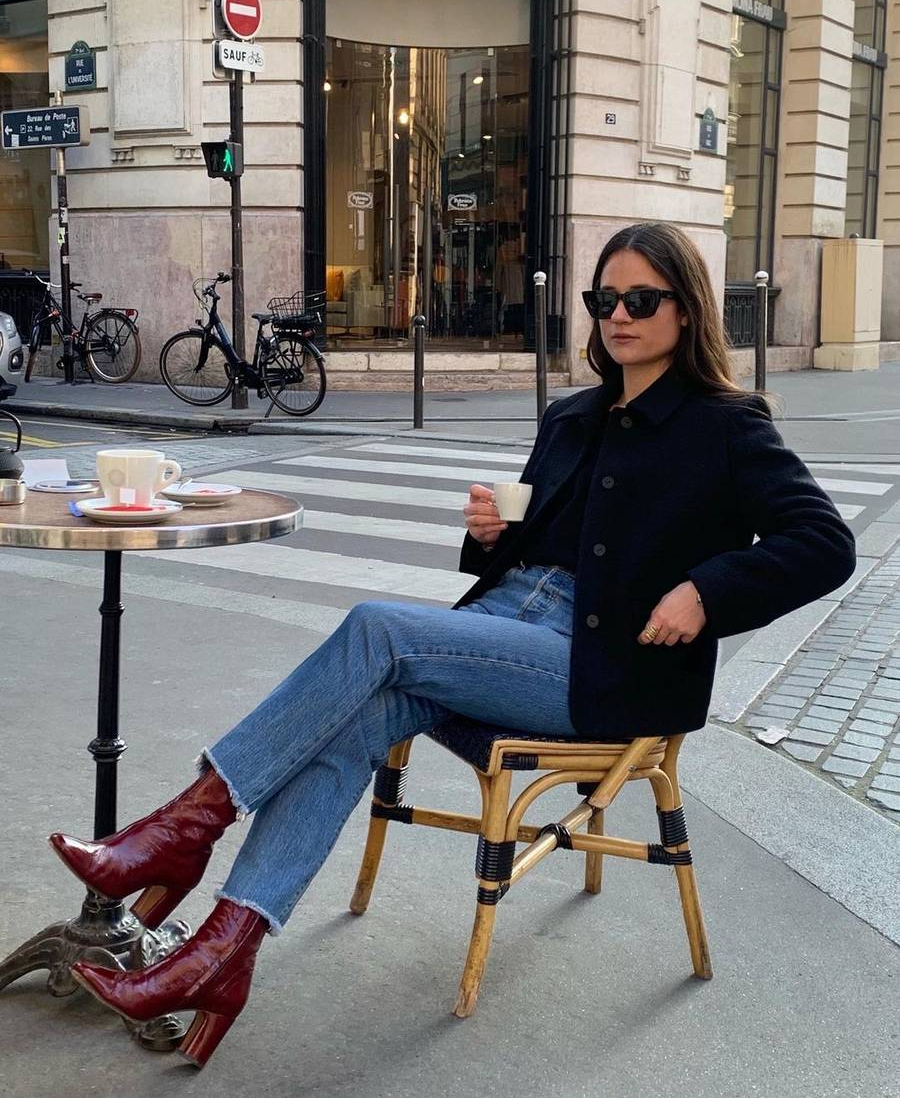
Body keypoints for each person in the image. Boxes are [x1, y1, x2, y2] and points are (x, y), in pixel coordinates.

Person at [51, 222, 856, 1067]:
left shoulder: (726, 425)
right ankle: (223, 952)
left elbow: (822, 541)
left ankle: (188, 825)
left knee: (379, 627)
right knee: (370, 712)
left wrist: (706, 592)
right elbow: (524, 545)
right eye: (604, 298)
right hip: (508, 626)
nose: (619, 315)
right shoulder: (573, 415)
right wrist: (487, 535)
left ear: (686, 310)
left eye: (641, 299)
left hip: (607, 669)